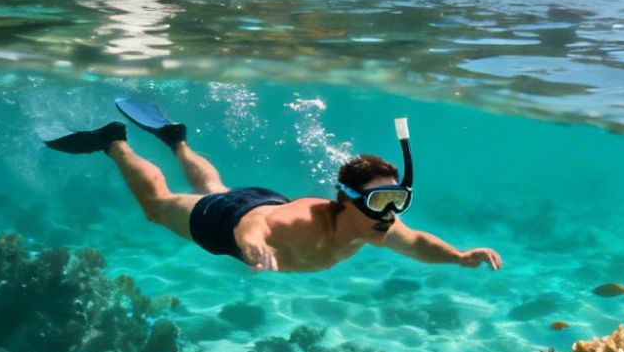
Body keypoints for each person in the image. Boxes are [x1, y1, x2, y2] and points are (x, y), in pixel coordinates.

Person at [45, 101, 503, 274]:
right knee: (158, 205)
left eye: (396, 199)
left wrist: (460, 256)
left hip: (255, 201)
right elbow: (255, 224)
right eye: (379, 201)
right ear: (346, 201)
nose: (389, 213)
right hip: (233, 221)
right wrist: (249, 249)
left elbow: (419, 243)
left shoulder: (375, 228)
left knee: (217, 186)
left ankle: (176, 139)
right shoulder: (304, 221)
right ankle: (114, 143)